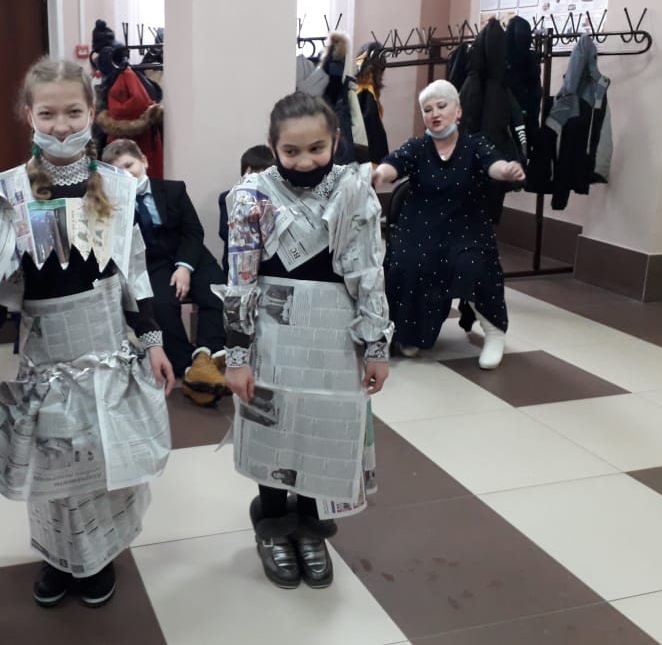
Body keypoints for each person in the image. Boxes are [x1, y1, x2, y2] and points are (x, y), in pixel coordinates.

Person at [0, 58, 174, 609]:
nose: (61, 126)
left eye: (73, 113)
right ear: (28, 115)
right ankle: (57, 556)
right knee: (54, 457)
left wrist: (152, 341)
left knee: (102, 458)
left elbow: (133, 271)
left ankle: (98, 556)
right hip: (45, 352)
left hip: (105, 345)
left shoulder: (117, 186)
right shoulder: (9, 191)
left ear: (92, 112)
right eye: (48, 114)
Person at [222, 92, 391, 590]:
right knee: (272, 427)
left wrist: (376, 347)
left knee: (323, 429)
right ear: (273, 146)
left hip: (335, 333)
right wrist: (237, 356)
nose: (304, 161)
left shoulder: (355, 190)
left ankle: (313, 529)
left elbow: (369, 272)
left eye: (317, 148)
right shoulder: (251, 195)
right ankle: (274, 526)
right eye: (290, 151)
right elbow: (240, 280)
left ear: (335, 140)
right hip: (271, 333)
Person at [372, 79, 526, 369]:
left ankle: (494, 332)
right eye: (428, 109)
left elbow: (493, 164)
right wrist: (381, 174)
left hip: (466, 228)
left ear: (458, 111)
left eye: (442, 106)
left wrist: (505, 170)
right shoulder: (417, 147)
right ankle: (410, 333)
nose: (435, 114)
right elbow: (395, 163)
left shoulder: (475, 144)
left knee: (472, 264)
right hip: (421, 226)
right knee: (408, 261)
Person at [101, 138, 228, 407]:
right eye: (118, 172)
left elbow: (193, 231)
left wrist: (184, 267)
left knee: (216, 291)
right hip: (152, 262)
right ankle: (188, 368)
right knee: (159, 305)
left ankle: (206, 354)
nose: (127, 174)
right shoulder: (113, 205)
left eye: (129, 166)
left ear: (144, 161)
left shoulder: (174, 189)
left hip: (189, 254)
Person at [217, 144, 275, 274]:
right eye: (254, 175)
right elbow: (224, 233)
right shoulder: (227, 197)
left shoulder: (276, 198)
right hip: (239, 263)